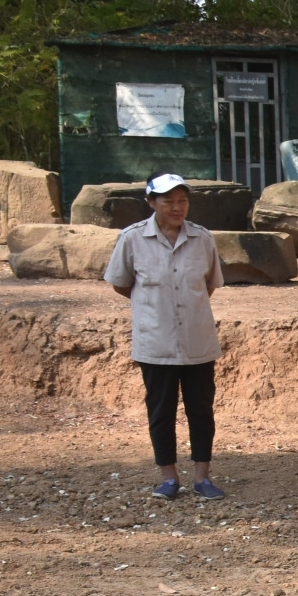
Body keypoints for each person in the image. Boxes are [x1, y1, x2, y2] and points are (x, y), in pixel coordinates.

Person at [102, 174, 228, 500]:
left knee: (201, 410)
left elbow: (209, 285)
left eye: (182, 200)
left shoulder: (202, 239)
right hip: (154, 343)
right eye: (168, 201)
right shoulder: (131, 240)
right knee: (161, 410)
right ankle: (169, 478)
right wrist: (153, 308)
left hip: (198, 341)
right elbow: (121, 283)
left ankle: (202, 477)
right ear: (150, 202)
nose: (177, 207)